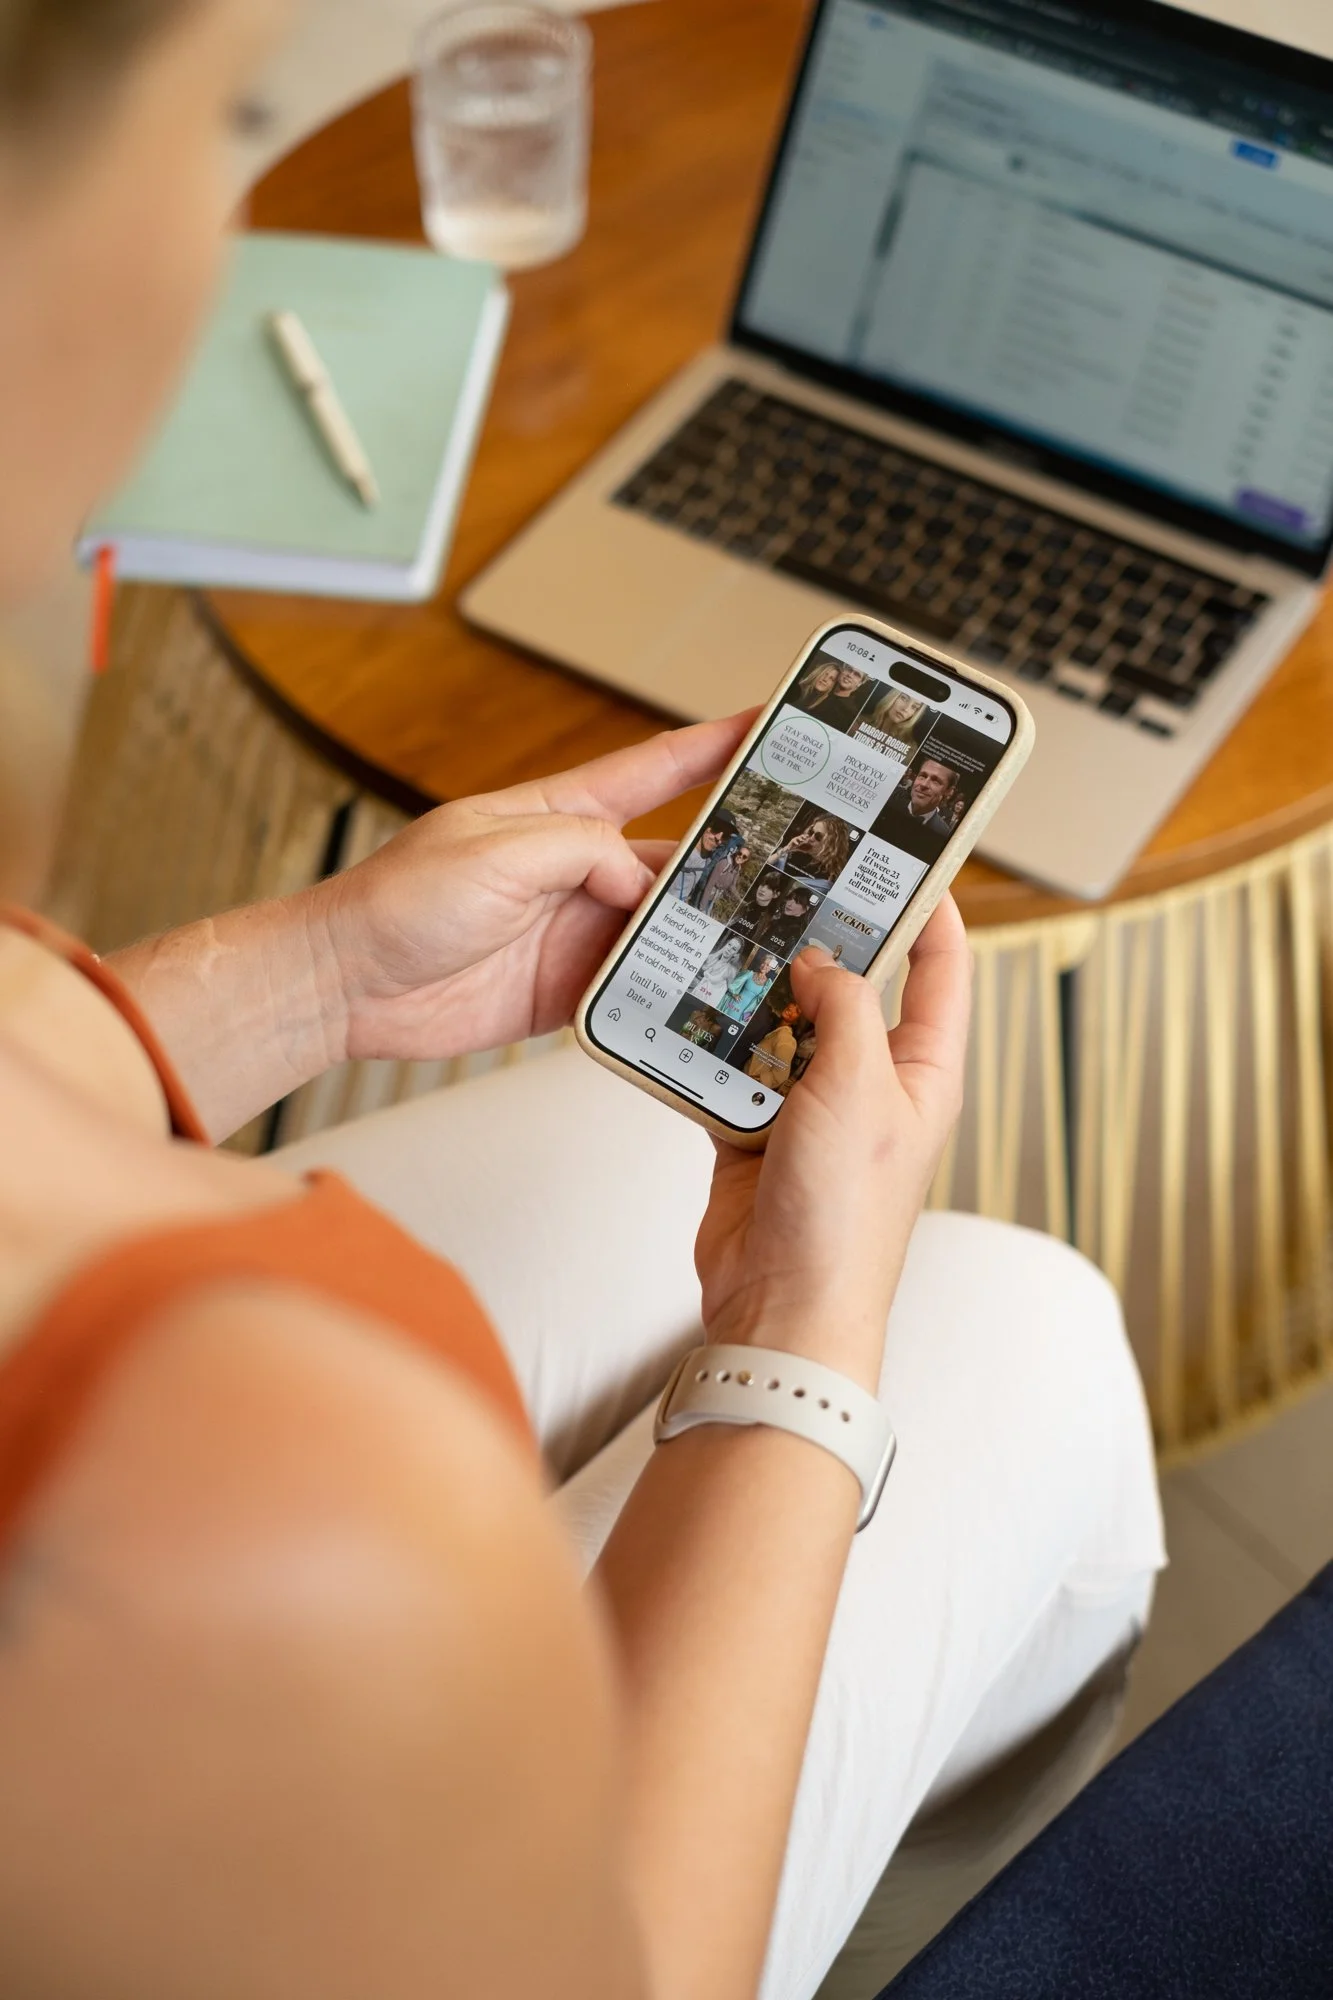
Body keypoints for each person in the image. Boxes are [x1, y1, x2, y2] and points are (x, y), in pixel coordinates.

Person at [0, 6, 1164, 1998]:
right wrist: (804, 1337)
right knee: (1032, 1323)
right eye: (223, 122)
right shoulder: (233, 1493)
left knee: (641, 1134)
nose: (223, 228)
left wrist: (322, 965)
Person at [669, 808, 740, 907]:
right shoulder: (678, 852)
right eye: (717, 828)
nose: (719, 838)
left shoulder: (708, 860)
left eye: (726, 835)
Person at [773, 811, 854, 891]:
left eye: (818, 836)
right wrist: (786, 849)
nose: (811, 838)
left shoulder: (830, 877)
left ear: (831, 844)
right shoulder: (795, 851)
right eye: (811, 832)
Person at [882, 756, 960, 840]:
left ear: (948, 791)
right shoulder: (886, 805)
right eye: (922, 776)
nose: (924, 784)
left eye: (935, 781)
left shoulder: (944, 833)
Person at [720, 952, 779, 1025]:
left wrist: (754, 1014)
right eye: (763, 963)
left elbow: (763, 1004)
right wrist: (734, 994)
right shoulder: (749, 974)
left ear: (770, 968)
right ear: (760, 963)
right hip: (735, 1005)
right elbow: (732, 985)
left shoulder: (768, 984)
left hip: (748, 1013)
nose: (764, 966)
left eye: (767, 965)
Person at [689, 935, 746, 1008]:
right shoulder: (713, 959)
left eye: (734, 949)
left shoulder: (731, 970)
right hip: (696, 994)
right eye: (729, 945)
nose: (729, 949)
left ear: (736, 954)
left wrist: (735, 995)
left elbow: (731, 990)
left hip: (707, 1004)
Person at [698, 839, 749, 918]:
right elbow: (710, 885)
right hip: (706, 896)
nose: (741, 857)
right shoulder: (724, 863)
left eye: (744, 856)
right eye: (740, 853)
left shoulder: (737, 868)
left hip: (714, 898)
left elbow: (732, 886)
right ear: (736, 852)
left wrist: (740, 900)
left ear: (746, 860)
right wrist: (702, 907)